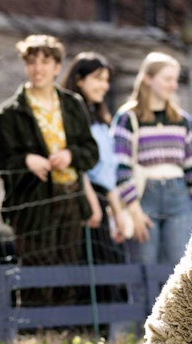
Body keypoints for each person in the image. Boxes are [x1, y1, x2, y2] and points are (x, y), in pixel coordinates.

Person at [0, 34, 99, 306]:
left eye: (45, 62)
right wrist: (27, 160)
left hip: (71, 197)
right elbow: (2, 161)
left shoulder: (72, 104)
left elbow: (91, 151)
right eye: (31, 62)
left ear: (57, 67)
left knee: (69, 272)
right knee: (36, 274)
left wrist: (71, 155)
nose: (37, 68)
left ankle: (65, 328)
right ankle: (34, 327)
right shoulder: (11, 112)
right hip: (33, 203)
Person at [112, 51, 192, 268]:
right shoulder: (128, 118)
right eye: (167, 79)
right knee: (143, 270)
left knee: (180, 272)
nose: (174, 85)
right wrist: (133, 209)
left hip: (179, 197)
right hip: (143, 198)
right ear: (148, 78)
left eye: (175, 80)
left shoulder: (181, 119)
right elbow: (120, 167)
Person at [62, 51, 130, 303]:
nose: (104, 85)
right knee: (89, 269)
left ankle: (108, 323)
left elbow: (107, 172)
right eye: (97, 78)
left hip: (103, 198)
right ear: (79, 80)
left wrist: (117, 213)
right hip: (83, 197)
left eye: (106, 80)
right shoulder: (70, 115)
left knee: (110, 266)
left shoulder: (102, 120)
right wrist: (90, 201)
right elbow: (80, 166)